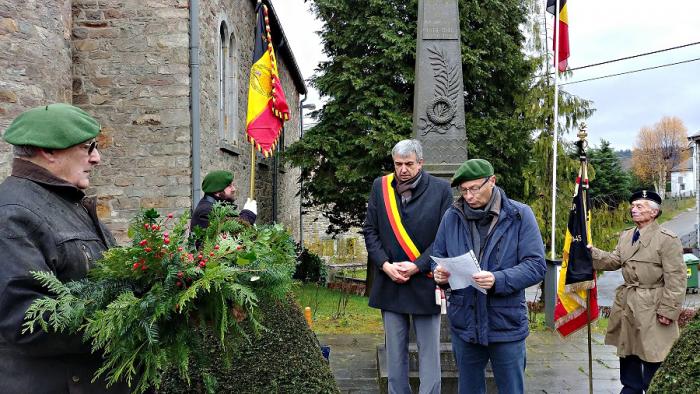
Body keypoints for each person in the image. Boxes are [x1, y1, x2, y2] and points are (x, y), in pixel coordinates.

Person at [0, 103, 129, 393]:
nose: (97, 158)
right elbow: (25, 320)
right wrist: (128, 318)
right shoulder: (11, 213)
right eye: (88, 147)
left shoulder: (67, 202)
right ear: (49, 151)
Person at [432, 158, 546, 394]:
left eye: (474, 188)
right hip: (465, 323)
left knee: (511, 389)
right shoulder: (451, 216)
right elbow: (439, 256)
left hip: (505, 323)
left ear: (492, 181)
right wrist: (439, 275)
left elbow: (536, 265)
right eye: (463, 190)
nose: (468, 196)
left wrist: (498, 279)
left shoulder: (520, 215)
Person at [363, 139, 452, 394]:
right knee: (395, 355)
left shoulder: (441, 190)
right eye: (398, 164)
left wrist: (416, 266)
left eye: (409, 164)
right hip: (390, 281)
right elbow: (371, 231)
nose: (403, 169)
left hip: (424, 280)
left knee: (429, 355)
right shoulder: (380, 187)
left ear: (420, 163)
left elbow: (444, 238)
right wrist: (385, 265)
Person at [589, 190, 686, 394]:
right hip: (628, 304)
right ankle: (630, 389)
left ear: (654, 212)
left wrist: (668, 311)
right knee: (629, 354)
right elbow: (614, 261)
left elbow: (676, 278)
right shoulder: (626, 236)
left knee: (654, 357)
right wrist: (591, 253)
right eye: (632, 205)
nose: (633, 209)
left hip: (653, 305)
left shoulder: (666, 239)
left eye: (639, 206)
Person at [190, 170, 257, 231]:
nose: (234, 189)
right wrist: (248, 214)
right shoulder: (205, 211)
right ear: (217, 191)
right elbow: (230, 233)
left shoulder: (219, 205)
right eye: (229, 186)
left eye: (232, 185)